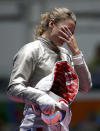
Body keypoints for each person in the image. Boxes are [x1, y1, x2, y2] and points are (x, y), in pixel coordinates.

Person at [7, 8, 92, 131]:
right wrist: (41, 97)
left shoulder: (66, 55)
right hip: (35, 124)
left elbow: (85, 87)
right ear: (52, 23)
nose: (68, 36)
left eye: (71, 33)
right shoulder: (31, 50)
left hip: (61, 124)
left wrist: (76, 53)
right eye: (66, 30)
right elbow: (13, 89)